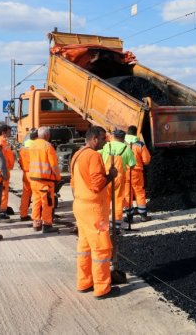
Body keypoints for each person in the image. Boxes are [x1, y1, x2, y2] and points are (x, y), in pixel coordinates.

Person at [70, 126, 119, 299]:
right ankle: (102, 288)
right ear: (94, 139)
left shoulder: (78, 154)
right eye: (103, 138)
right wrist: (111, 175)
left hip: (80, 206)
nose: (106, 142)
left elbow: (73, 182)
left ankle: (84, 282)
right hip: (93, 209)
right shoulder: (94, 156)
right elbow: (97, 184)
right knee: (101, 248)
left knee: (84, 246)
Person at [26, 126, 61, 233]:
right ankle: (47, 224)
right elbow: (54, 165)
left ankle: (36, 224)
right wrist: (58, 177)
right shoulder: (47, 146)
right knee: (47, 203)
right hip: (45, 180)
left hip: (33, 179)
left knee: (36, 201)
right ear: (47, 135)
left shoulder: (32, 145)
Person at [99, 129, 136, 230]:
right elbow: (132, 165)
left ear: (113, 137)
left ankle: (103, 224)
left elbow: (98, 154)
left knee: (104, 201)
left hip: (106, 178)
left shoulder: (107, 146)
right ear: (124, 138)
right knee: (118, 201)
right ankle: (116, 226)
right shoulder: (127, 149)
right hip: (119, 179)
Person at [123, 125, 152, 222]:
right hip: (136, 172)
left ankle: (129, 217)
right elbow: (147, 160)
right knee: (139, 192)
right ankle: (143, 215)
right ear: (136, 133)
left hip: (124, 172)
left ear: (127, 133)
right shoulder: (140, 145)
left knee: (127, 194)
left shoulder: (122, 144)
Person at [0, 125, 15, 220]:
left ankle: (3, 208)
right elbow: (0, 159)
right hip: (2, 171)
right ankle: (1, 211)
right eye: (9, 132)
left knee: (4, 191)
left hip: (5, 169)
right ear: (3, 132)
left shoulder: (2, 141)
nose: (10, 133)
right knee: (3, 191)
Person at [18, 129, 37, 222]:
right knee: (36, 196)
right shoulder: (36, 148)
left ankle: (23, 214)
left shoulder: (23, 149)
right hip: (35, 174)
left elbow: (20, 162)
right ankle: (35, 216)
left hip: (25, 174)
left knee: (25, 194)